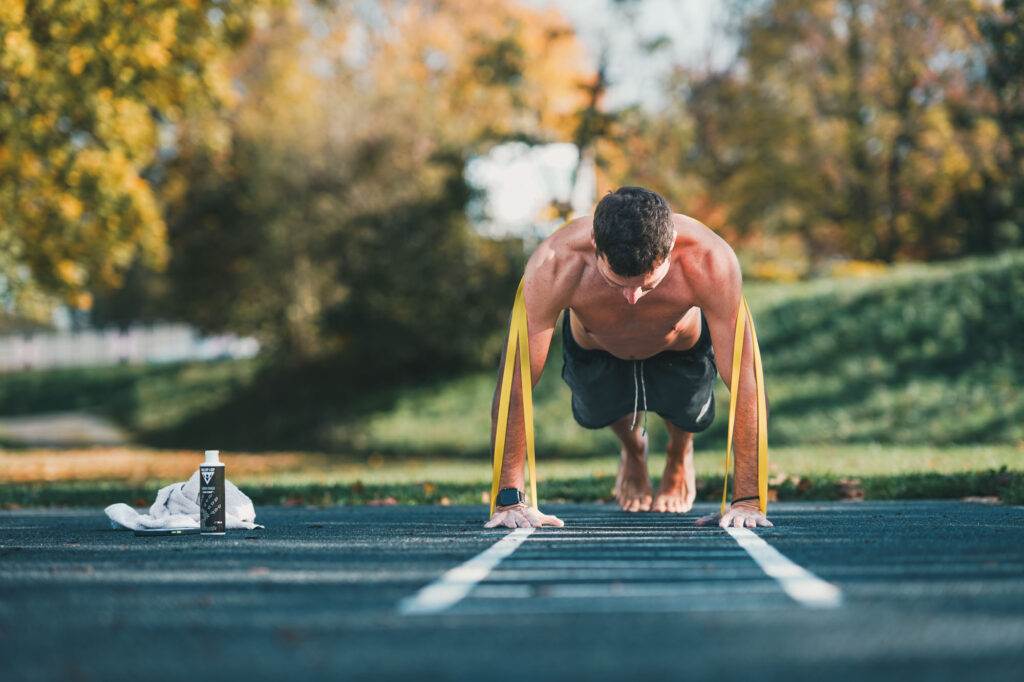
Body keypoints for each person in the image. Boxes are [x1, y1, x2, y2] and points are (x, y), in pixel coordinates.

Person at [485, 186, 772, 531]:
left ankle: (679, 456)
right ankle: (634, 453)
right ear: (595, 243)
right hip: (596, 349)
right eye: (617, 282)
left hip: (679, 349)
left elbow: (746, 380)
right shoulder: (555, 263)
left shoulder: (710, 260)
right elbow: (516, 382)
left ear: (670, 248)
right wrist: (508, 499)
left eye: (646, 286)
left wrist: (747, 500)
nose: (632, 298)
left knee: (689, 415)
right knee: (596, 412)